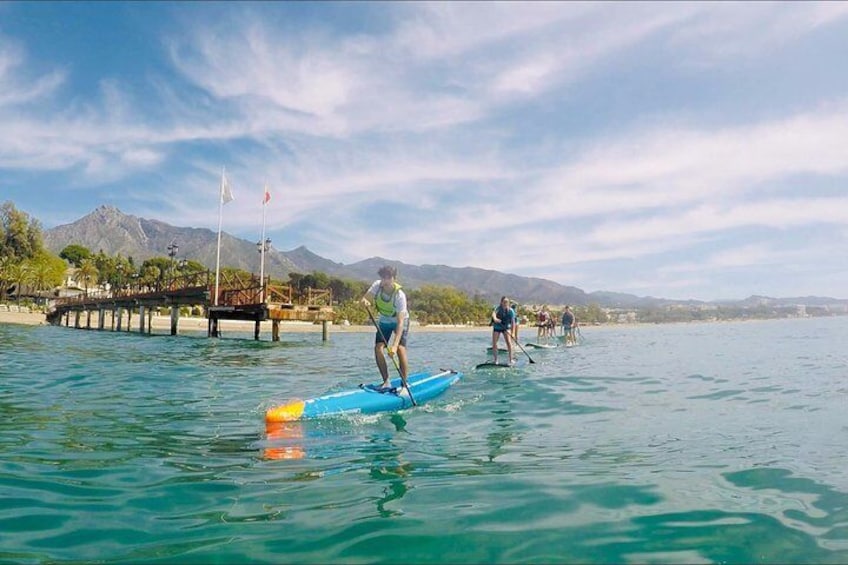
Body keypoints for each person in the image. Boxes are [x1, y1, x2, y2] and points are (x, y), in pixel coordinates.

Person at [360, 265, 409, 390]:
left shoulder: (400, 295)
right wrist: (364, 301)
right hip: (384, 320)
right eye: (383, 277)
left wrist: (394, 345)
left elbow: (400, 323)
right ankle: (386, 381)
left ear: (394, 278)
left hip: (399, 320)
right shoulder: (377, 285)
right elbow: (365, 299)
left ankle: (404, 384)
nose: (386, 280)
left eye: (389, 277)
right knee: (378, 347)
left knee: (400, 349)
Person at [491, 296, 515, 365]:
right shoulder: (498, 308)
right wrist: (495, 319)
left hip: (506, 327)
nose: (505, 303)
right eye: (504, 302)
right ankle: (495, 360)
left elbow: (513, 322)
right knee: (494, 343)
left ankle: (511, 359)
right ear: (501, 302)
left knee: (509, 342)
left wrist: (513, 333)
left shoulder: (511, 311)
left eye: (507, 302)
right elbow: (493, 314)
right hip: (497, 327)